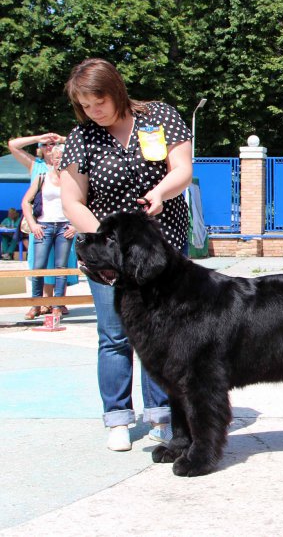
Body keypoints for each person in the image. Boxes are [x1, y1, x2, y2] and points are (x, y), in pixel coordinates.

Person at [60, 58, 193, 452]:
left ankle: (163, 415)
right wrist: (103, 241)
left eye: (97, 100)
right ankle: (117, 418)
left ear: (115, 90)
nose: (92, 110)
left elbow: (181, 169)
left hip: (161, 249)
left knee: (164, 334)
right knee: (115, 335)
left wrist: (160, 194)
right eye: (84, 105)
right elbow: (72, 199)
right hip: (108, 256)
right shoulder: (81, 138)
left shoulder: (160, 117)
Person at [7, 132, 78, 307]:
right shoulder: (35, 165)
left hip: (64, 222)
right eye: (45, 145)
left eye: (52, 145)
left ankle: (57, 302)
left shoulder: (69, 169)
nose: (49, 147)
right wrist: (39, 138)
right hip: (41, 222)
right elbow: (13, 145)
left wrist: (61, 139)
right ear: (40, 149)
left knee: (61, 263)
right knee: (41, 262)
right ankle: (43, 301)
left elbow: (82, 144)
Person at [20, 146, 77, 320]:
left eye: (62, 157)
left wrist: (75, 225)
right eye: (56, 157)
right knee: (38, 266)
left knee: (61, 267)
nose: (59, 160)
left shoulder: (73, 179)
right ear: (51, 159)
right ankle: (36, 304)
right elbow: (25, 203)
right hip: (43, 225)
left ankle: (57, 305)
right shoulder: (42, 177)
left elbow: (84, 203)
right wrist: (33, 224)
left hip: (63, 227)